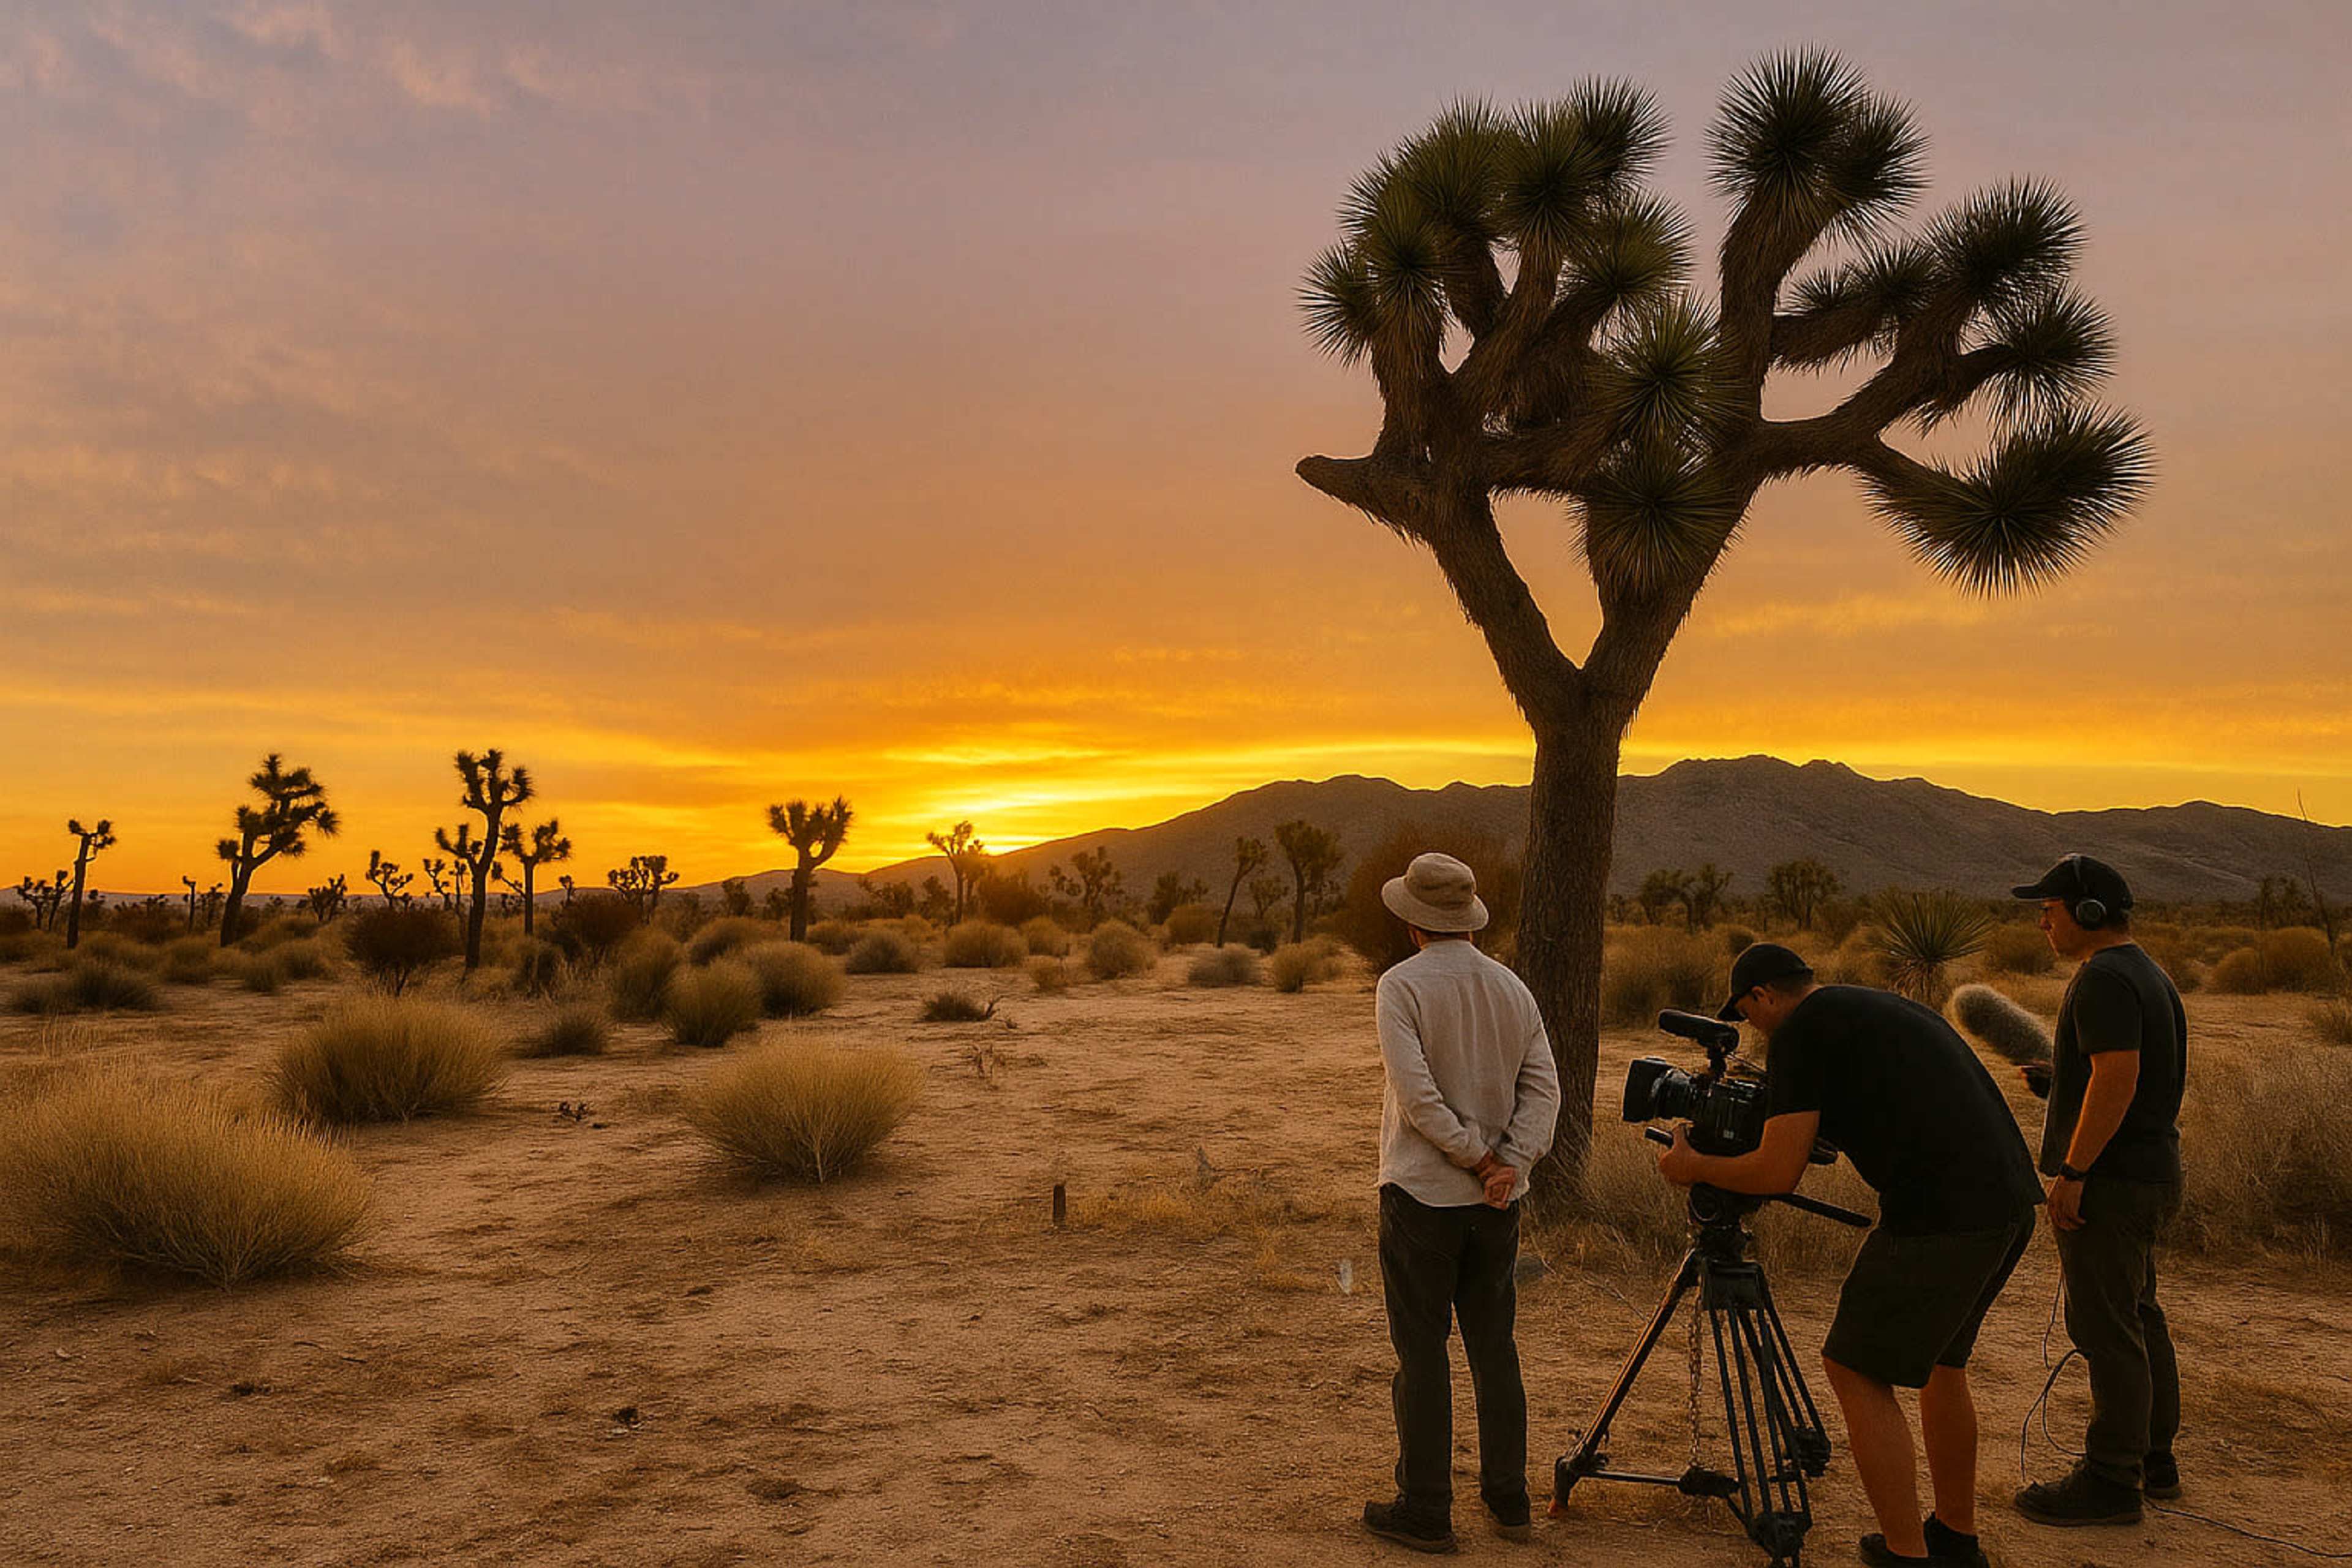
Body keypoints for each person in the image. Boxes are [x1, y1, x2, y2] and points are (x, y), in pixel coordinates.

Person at [1657, 943, 2043, 1568]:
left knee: (1854, 1366)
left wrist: (1692, 1164)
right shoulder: (1869, 1009)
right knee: (1944, 1364)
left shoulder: (1802, 1031)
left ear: (1762, 996)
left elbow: (1779, 1171)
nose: (1752, 1029)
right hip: (2007, 1204)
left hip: (1939, 1217)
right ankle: (1954, 1535)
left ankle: (1905, 1553)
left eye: (1747, 1014)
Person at [1362, 853, 1561, 1554]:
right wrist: (1512, 1162)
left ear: (1414, 921)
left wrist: (1476, 1158)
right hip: (1497, 1205)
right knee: (1494, 1348)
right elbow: (1544, 1089)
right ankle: (1509, 1500)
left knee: (1422, 1352)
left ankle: (1426, 1505)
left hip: (1423, 1193)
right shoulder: (1513, 989)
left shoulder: (1401, 987)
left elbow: (1416, 1097)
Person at [2008, 854, 2187, 1527]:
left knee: (2106, 1327)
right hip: (2148, 1172)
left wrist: (2074, 1172)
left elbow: (2118, 1077)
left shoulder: (2105, 978)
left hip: (2111, 1182)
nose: (2042, 922)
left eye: (2049, 909)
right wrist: (2063, 1085)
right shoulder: (2149, 973)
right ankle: (2153, 1459)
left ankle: (2112, 1480)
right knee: (2139, 1316)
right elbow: (2125, 1079)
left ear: (2086, 912)